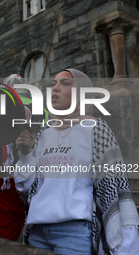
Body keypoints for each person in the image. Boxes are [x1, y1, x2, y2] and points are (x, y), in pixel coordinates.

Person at [14, 69, 139, 254]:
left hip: (75, 233)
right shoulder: (43, 133)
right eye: (53, 83)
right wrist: (25, 154)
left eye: (65, 83)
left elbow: (115, 188)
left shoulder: (96, 129)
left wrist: (127, 243)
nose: (55, 88)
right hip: (37, 232)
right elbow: (26, 188)